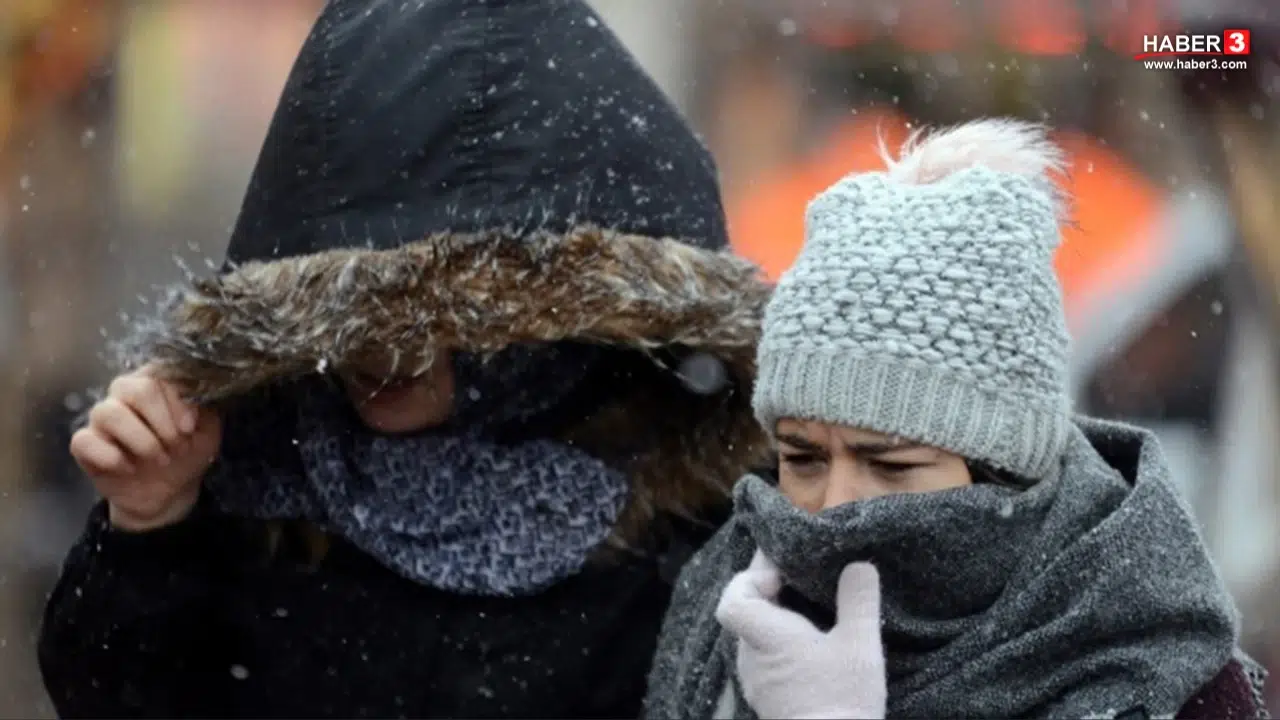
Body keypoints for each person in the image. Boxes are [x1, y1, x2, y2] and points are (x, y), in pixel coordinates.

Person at [38, 0, 772, 717]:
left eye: (436, 314)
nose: (376, 348)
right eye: (351, 309)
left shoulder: (700, 541)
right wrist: (148, 526)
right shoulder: (250, 484)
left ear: (546, 328)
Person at [644, 119, 1268, 720]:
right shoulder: (727, 613)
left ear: (1006, 474)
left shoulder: (1155, 674)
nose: (834, 508)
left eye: (889, 465)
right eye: (803, 459)